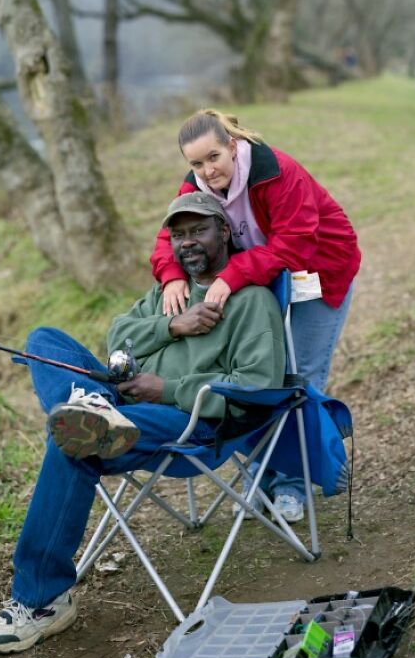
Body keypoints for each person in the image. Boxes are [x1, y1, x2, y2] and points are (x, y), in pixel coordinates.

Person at [0, 192, 285, 654]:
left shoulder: (251, 301)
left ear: (224, 231)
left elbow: (257, 385)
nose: (187, 242)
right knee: (44, 340)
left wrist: (167, 388)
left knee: (72, 442)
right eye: (178, 235)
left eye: (198, 230)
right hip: (124, 402)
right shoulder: (169, 293)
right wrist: (172, 326)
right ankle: (94, 408)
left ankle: (40, 601)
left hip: (189, 421)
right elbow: (118, 336)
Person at [150, 109, 360, 523]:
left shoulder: (277, 171)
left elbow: (295, 244)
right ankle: (260, 477)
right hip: (262, 281)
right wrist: (171, 275)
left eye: (214, 157)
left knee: (299, 377)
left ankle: (292, 484)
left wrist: (232, 275)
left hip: (318, 272)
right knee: (260, 376)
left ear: (232, 146)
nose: (207, 171)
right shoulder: (196, 184)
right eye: (196, 163)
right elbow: (167, 238)